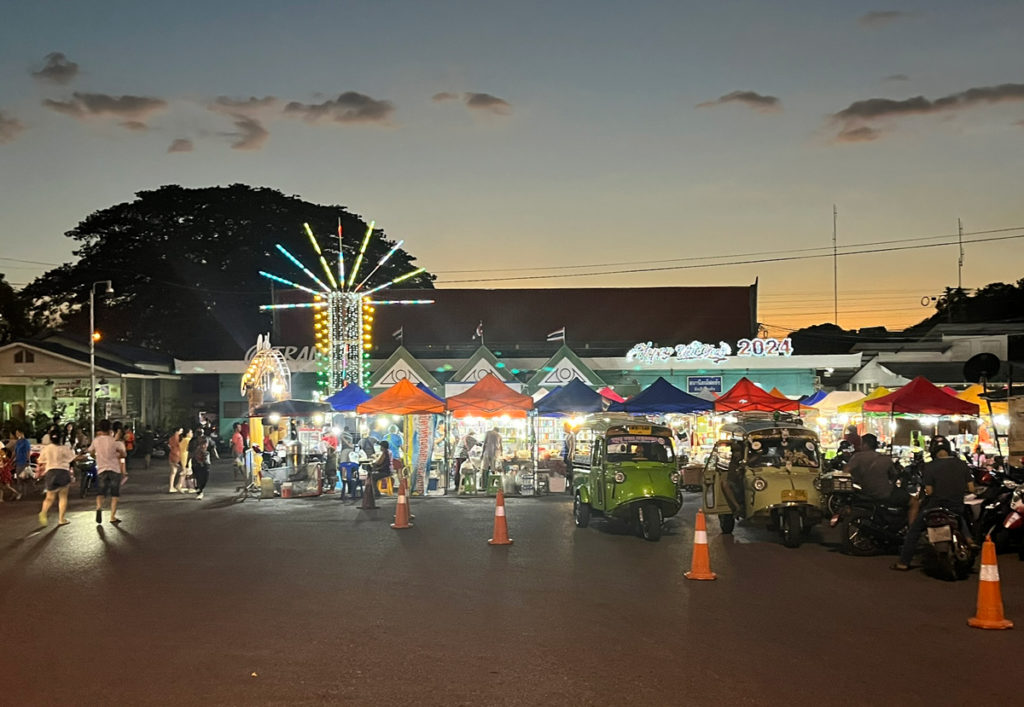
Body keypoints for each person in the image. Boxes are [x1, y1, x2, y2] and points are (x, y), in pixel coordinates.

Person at [892, 435, 976, 571]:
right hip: (956, 506)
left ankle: (903, 562)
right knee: (962, 517)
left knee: (914, 531)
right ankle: (969, 540)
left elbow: (929, 491)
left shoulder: (930, 466)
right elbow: (971, 488)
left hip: (935, 506)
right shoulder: (962, 464)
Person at [845, 434, 908, 507]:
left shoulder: (857, 457)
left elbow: (845, 471)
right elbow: (894, 475)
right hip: (885, 494)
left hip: (866, 491)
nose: (860, 446)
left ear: (865, 445)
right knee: (913, 501)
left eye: (861, 444)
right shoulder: (885, 458)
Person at [36, 430, 80, 526]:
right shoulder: (65, 448)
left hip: (50, 472)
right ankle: (61, 519)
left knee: (49, 497)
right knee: (63, 497)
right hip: (63, 472)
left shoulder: (46, 449)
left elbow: (40, 460)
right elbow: (73, 458)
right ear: (61, 438)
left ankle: (43, 512)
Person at [89, 419, 126, 524]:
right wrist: (118, 454)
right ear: (110, 428)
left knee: (100, 492)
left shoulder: (96, 440)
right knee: (115, 494)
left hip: (101, 469)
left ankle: (99, 508)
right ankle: (112, 517)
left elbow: (91, 451)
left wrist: (96, 456)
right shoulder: (115, 441)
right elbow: (123, 455)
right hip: (114, 469)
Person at [360, 439, 392, 510]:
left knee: (373, 477)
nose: (380, 447)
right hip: (384, 470)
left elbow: (379, 463)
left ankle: (376, 493)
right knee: (373, 476)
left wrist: (374, 461)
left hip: (385, 472)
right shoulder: (385, 453)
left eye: (381, 446)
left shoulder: (384, 453)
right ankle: (375, 492)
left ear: (383, 447)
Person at [189, 427, 210, 500]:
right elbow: (190, 451)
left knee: (205, 477)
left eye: (201, 432)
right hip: (196, 461)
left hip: (205, 461)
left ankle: (201, 488)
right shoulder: (193, 441)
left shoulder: (206, 439)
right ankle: (199, 491)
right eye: (198, 432)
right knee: (197, 477)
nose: (200, 433)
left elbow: (212, 447)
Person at [168, 426, 183, 493]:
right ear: (178, 430)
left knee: (173, 472)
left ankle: (171, 487)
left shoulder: (171, 438)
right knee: (184, 471)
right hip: (177, 455)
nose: (182, 431)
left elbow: (170, 445)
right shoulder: (178, 437)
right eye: (181, 430)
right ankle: (178, 485)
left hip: (172, 454)